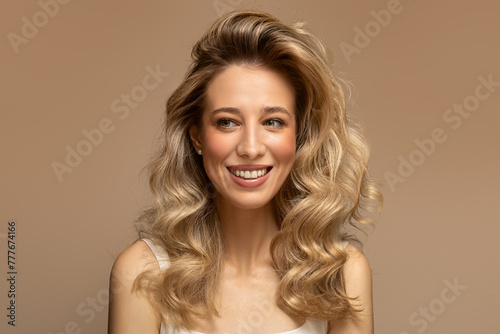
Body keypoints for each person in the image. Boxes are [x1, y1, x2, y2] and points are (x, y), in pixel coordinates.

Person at [108, 10, 382, 334]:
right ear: (197, 136)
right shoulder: (141, 273)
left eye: (273, 122)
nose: (251, 148)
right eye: (227, 122)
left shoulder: (343, 273)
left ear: (299, 136)